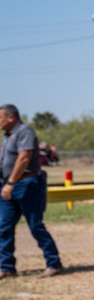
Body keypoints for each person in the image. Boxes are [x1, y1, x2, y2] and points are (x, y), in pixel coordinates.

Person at [0, 104, 63, 279]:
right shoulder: (8, 136)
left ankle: (53, 263)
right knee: (3, 226)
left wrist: (11, 182)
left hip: (26, 184)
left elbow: (24, 157)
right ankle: (6, 268)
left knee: (35, 225)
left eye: (0, 118)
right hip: (8, 186)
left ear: (11, 117)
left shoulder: (24, 132)